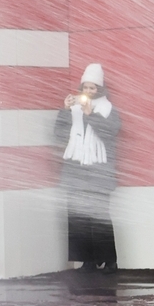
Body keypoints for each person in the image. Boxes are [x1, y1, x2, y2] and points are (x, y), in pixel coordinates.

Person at [54, 64, 120, 270]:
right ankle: (87, 260)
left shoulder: (108, 109)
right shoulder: (74, 109)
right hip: (75, 171)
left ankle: (109, 260)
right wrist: (65, 111)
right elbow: (59, 134)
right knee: (77, 218)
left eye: (93, 88)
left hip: (99, 173)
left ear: (100, 89)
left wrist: (91, 114)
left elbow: (111, 132)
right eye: (86, 87)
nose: (89, 92)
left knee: (99, 218)